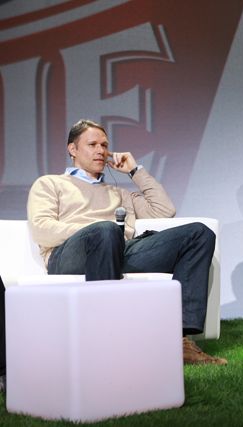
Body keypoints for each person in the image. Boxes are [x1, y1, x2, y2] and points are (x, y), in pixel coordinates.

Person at [27, 119, 226, 366]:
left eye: (104, 145)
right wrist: (94, 231)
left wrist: (135, 171)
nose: (101, 150)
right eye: (92, 144)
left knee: (198, 233)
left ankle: (179, 341)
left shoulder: (118, 193)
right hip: (68, 256)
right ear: (73, 149)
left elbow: (164, 210)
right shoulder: (50, 184)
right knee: (106, 230)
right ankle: (106, 338)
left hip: (119, 250)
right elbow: (42, 229)